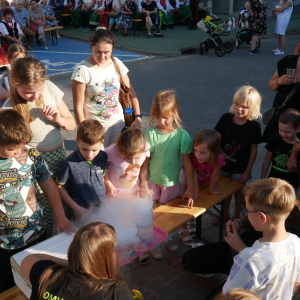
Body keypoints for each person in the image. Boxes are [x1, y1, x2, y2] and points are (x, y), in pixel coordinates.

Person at [0, 109, 76, 294]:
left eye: (22, 146)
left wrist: (60, 216)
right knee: (10, 287)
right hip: (5, 243)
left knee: (39, 282)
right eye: (12, 149)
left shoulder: (30, 153)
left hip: (36, 234)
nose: (19, 152)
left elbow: (49, 185)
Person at [2, 56, 76, 237]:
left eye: (39, 90)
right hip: (36, 166)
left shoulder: (50, 88)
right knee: (48, 211)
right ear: (14, 82)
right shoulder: (8, 110)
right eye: (28, 93)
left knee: (67, 205)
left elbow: (71, 125)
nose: (35, 97)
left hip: (60, 158)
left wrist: (58, 119)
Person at [222, 178, 300, 298]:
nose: (246, 213)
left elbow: (228, 295)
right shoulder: (296, 241)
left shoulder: (250, 258)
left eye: (247, 210)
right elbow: (296, 283)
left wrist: (244, 252)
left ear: (262, 217)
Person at [20, 222, 135, 300]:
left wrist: (77, 263)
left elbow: (27, 260)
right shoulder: (116, 293)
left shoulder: (48, 276)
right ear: (108, 257)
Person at [145, 90, 195, 258]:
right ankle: (155, 242)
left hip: (171, 182)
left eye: (166, 117)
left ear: (174, 114)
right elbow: (145, 161)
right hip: (153, 181)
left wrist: (190, 187)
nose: (162, 121)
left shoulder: (182, 135)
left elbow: (188, 163)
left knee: (169, 215)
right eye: (158, 117)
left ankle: (167, 238)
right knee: (154, 214)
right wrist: (143, 182)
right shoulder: (151, 134)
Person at [71, 28, 141, 149]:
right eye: (98, 51)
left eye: (106, 52)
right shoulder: (82, 70)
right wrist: (83, 131)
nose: (102, 56)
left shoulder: (116, 63)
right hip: (95, 129)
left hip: (119, 125)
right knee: (99, 165)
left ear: (112, 49)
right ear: (91, 46)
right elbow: (78, 106)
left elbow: (131, 94)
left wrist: (138, 118)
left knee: (117, 163)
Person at [213, 86, 262, 224]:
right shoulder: (225, 118)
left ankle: (236, 219)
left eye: (244, 106)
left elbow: (254, 150)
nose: (239, 108)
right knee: (225, 194)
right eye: (237, 104)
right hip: (223, 166)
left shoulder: (254, 126)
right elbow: (219, 140)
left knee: (239, 195)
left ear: (252, 108)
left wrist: (247, 171)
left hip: (240, 169)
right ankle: (225, 215)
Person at [178, 129, 225, 245]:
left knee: (196, 200)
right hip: (188, 176)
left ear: (213, 152)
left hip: (204, 178)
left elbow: (214, 176)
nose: (197, 155)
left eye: (202, 153)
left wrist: (212, 189)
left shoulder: (219, 158)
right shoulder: (193, 156)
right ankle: (183, 228)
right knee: (186, 200)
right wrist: (193, 189)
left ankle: (190, 222)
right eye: (195, 151)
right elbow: (192, 172)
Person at [56, 119, 107, 221]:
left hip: (103, 209)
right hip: (82, 213)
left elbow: (103, 176)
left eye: (94, 150)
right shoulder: (70, 163)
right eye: (84, 149)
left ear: (102, 142)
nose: (89, 154)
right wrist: (75, 207)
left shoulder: (104, 156)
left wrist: (108, 186)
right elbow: (58, 186)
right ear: (77, 141)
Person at [263, 55, 300, 143]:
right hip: (279, 120)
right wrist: (278, 81)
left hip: (296, 125)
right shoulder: (289, 60)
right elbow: (271, 86)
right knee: (273, 151)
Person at [104, 128, 151, 198]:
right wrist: (108, 184)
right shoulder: (113, 150)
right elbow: (102, 165)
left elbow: (146, 164)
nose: (132, 162)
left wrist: (144, 185)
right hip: (115, 191)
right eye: (128, 158)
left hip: (134, 189)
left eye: (137, 158)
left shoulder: (145, 147)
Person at [262, 109, 300, 190]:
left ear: (298, 129)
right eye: (280, 130)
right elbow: (267, 160)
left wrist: (295, 168)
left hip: (290, 187)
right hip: (272, 183)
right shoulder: (275, 141)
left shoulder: (298, 147)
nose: (283, 134)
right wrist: (262, 179)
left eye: (287, 131)